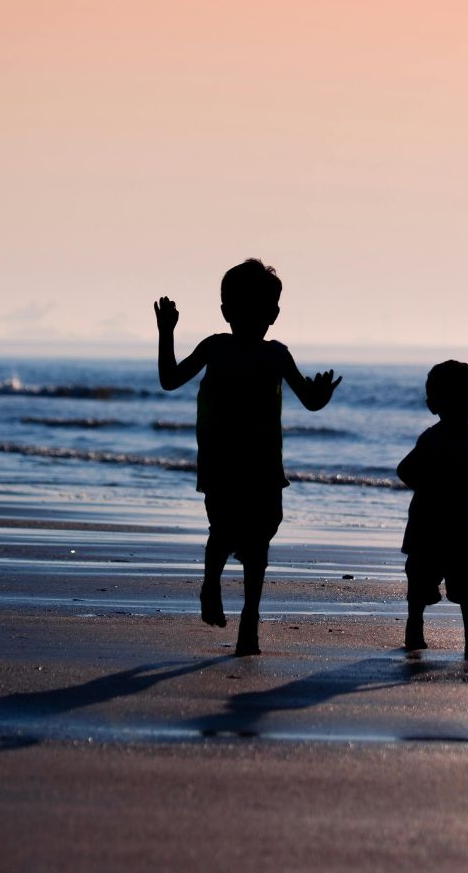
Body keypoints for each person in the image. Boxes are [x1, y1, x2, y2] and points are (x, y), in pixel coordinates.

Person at [154, 259, 341, 656]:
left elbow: (308, 400)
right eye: (248, 310)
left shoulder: (278, 355)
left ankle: (249, 620)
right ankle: (216, 590)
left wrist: (321, 397)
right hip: (222, 463)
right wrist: (165, 333)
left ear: (274, 314)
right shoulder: (215, 347)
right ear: (227, 313)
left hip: (264, 466)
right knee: (225, 531)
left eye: (264, 310)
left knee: (261, 537)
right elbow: (170, 379)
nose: (258, 318)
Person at [397, 360, 468, 660]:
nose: (464, 404)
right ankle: (414, 626)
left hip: (464, 524)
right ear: (434, 405)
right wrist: (431, 487)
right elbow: (405, 470)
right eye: (454, 398)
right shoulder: (431, 439)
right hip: (428, 524)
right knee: (420, 579)